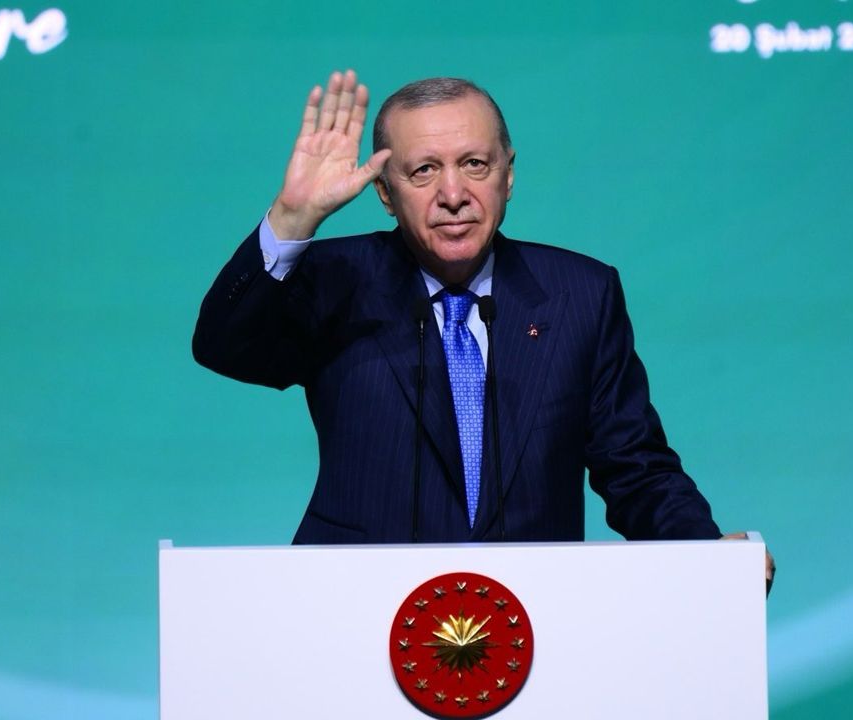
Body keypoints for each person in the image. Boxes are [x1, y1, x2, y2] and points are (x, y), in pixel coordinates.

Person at [193, 70, 774, 590]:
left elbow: (634, 468)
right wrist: (292, 219)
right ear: (385, 193)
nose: (453, 195)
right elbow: (223, 346)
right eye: (424, 170)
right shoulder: (337, 280)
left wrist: (706, 556)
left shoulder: (580, 294)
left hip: (533, 622)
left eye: (475, 164)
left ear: (508, 175)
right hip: (355, 611)